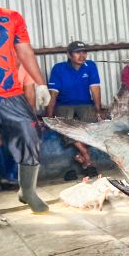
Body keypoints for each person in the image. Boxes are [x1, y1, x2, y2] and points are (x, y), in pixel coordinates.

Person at [0, 6, 52, 212]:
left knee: (31, 134)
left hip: (10, 93)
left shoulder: (11, 17)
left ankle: (27, 190)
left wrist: (40, 84)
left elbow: (24, 51)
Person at [46, 41, 105, 172]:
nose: (82, 55)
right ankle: (85, 155)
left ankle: (81, 155)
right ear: (69, 55)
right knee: (65, 126)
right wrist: (49, 116)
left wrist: (99, 110)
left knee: (93, 126)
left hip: (85, 103)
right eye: (78, 52)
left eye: (84, 52)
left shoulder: (90, 66)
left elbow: (95, 89)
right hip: (64, 104)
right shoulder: (58, 68)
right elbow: (53, 95)